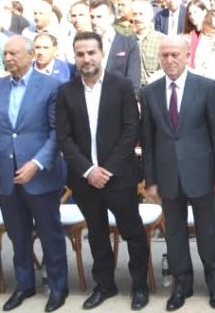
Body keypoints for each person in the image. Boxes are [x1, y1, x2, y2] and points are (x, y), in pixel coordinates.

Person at [55, 33, 150, 310]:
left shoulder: (121, 86)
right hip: (85, 180)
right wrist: (88, 170)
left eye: (91, 53)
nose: (86, 59)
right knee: (96, 233)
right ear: (75, 57)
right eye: (80, 54)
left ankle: (139, 285)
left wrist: (106, 170)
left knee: (132, 231)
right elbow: (64, 137)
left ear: (101, 53)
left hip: (118, 177)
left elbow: (131, 129)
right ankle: (105, 285)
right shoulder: (66, 91)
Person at [0, 36, 68, 312]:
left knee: (50, 234)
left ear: (30, 55)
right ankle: (24, 285)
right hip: (5, 175)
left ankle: (58, 287)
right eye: (5, 53)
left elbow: (57, 132)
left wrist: (37, 163)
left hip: (39, 176)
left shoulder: (51, 86)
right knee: (18, 236)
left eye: (14, 53)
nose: (8, 58)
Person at [140, 36, 215, 311]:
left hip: (202, 173)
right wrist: (150, 180)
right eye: (164, 55)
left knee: (208, 231)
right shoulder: (149, 92)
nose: (169, 60)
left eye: (175, 55)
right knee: (175, 233)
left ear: (187, 55)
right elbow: (148, 140)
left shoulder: (206, 87)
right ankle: (182, 284)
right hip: (167, 175)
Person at [90, 0, 143, 89]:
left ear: (111, 18)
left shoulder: (128, 44)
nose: (94, 21)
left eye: (99, 17)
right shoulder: (86, 44)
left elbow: (133, 82)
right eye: (92, 17)